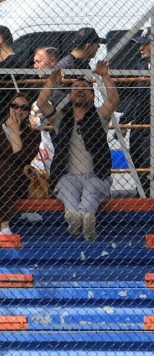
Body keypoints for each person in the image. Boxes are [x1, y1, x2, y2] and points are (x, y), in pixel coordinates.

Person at [36, 62, 118, 241]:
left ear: (92, 94)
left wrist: (105, 76)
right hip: (67, 176)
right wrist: (51, 82)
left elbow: (113, 100)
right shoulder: (60, 117)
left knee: (92, 188)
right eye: (75, 88)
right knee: (66, 188)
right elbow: (41, 103)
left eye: (84, 88)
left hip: (96, 175)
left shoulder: (99, 116)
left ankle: (78, 218)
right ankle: (82, 219)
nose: (80, 90)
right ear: (69, 94)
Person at [0, 90, 41, 236]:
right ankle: (3, 225)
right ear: (9, 107)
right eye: (15, 106)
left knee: (5, 167)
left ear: (28, 110)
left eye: (23, 108)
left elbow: (23, 159)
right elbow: (15, 155)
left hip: (18, 178)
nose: (18, 110)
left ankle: (4, 223)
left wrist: (16, 133)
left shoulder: (34, 134)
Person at [119, 28, 153, 196]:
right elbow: (136, 97)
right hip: (138, 124)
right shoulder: (140, 65)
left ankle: (151, 197)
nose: (140, 48)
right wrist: (124, 120)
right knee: (137, 164)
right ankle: (142, 194)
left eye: (144, 43)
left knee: (151, 166)